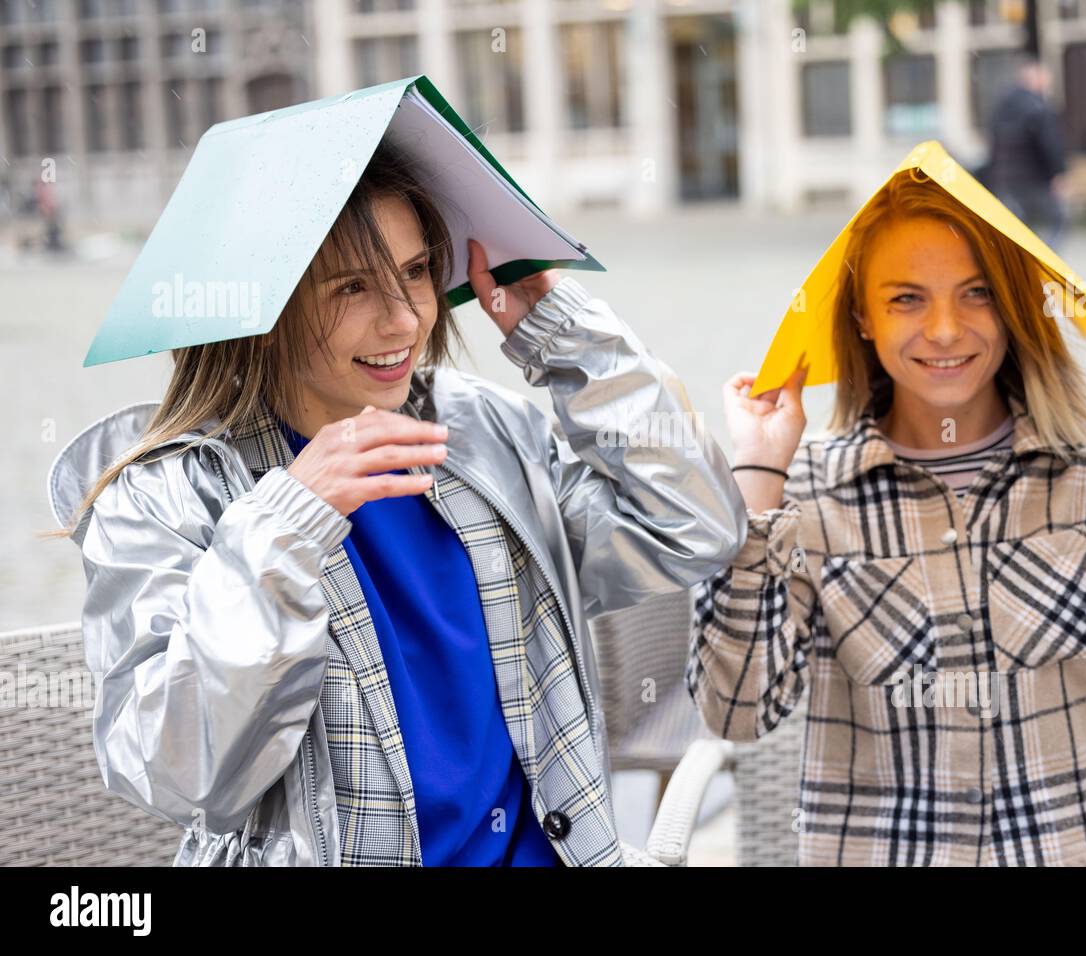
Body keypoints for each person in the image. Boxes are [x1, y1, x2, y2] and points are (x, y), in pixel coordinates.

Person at [49, 144, 746, 866]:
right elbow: (176, 773)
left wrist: (571, 340)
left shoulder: (477, 434)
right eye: (351, 287)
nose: (404, 321)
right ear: (263, 305)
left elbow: (691, 525)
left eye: (416, 273)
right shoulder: (166, 497)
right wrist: (283, 529)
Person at [688, 170, 1086, 866]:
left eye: (976, 293)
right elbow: (736, 711)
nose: (945, 330)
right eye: (906, 299)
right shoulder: (806, 495)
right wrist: (760, 478)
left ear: (1013, 306)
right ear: (862, 317)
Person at [985, 58, 1069, 247]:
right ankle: (1043, 263)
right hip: (1034, 179)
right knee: (1059, 220)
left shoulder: (1001, 107)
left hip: (1006, 180)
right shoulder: (1037, 108)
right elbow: (1050, 145)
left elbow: (992, 142)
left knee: (1019, 229)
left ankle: (1022, 265)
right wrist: (1058, 173)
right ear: (1035, 77)